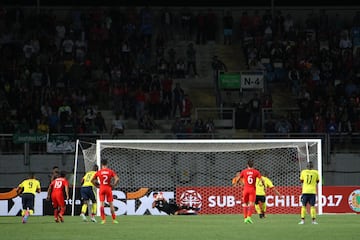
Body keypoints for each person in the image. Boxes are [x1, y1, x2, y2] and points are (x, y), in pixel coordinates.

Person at [233, 159, 264, 224]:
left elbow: (238, 178)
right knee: (251, 204)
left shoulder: (244, 171)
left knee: (244, 204)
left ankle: (245, 218)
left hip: (245, 189)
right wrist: (264, 186)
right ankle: (249, 217)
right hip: (252, 189)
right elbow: (262, 180)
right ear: (253, 165)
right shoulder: (256, 172)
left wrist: (236, 183)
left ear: (247, 165)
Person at [91, 159, 119, 224]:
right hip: (108, 188)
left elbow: (92, 180)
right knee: (111, 204)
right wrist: (114, 185)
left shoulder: (99, 172)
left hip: (102, 188)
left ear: (101, 164)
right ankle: (114, 219)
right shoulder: (110, 171)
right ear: (107, 164)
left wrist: (96, 186)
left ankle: (103, 220)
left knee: (102, 204)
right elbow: (117, 179)